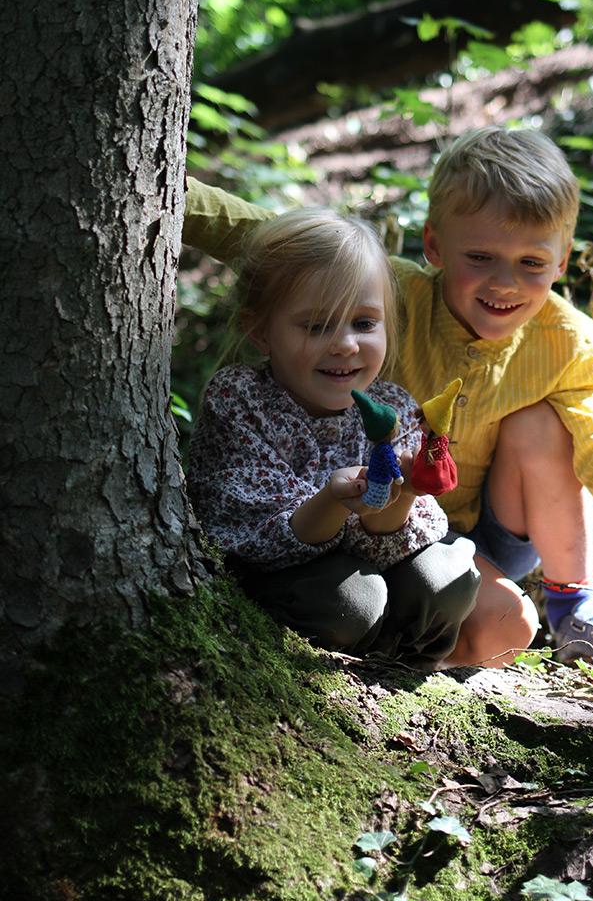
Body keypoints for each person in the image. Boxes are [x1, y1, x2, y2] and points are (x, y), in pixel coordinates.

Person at [182, 126, 593, 667]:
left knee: (536, 437)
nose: (505, 282)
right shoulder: (386, 291)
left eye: (531, 263)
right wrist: (160, 187)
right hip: (384, 517)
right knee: (497, 626)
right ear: (435, 246)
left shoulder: (571, 342)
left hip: (489, 526)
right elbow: (269, 241)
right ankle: (383, 648)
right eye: (481, 257)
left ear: (561, 264)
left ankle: (576, 600)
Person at [187, 207, 480, 669]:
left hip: (373, 566)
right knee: (351, 598)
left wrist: (402, 494)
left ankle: (405, 668)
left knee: (445, 577)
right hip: (285, 572)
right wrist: (333, 500)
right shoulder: (240, 400)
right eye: (318, 326)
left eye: (364, 324)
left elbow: (387, 546)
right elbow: (258, 541)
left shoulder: (393, 407)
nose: (345, 345)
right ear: (260, 331)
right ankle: (330, 669)